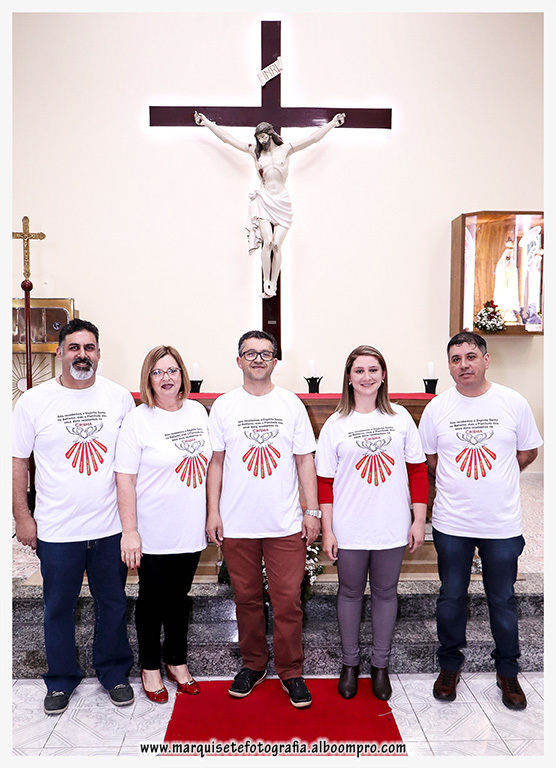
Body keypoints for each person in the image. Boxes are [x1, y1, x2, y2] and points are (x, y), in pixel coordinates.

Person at [12, 319, 135, 714]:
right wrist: (22, 516)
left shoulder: (119, 398)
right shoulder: (34, 401)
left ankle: (114, 672)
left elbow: (130, 465)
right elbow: (18, 462)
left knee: (112, 603)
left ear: (98, 353)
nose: (83, 355)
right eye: (74, 348)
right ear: (60, 352)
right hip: (57, 528)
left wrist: (132, 525)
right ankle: (61, 679)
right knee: (57, 607)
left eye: (89, 347)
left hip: (109, 526)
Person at [418, 331, 542, 710]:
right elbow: (431, 460)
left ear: (486, 360)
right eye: (455, 359)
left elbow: (528, 451)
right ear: (449, 366)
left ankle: (507, 671)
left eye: (470, 357)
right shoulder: (437, 408)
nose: (464, 365)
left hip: (501, 523)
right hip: (452, 522)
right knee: (451, 596)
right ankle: (449, 666)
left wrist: (496, 479)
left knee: (502, 599)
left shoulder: (512, 402)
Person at [206, 330, 320, 708]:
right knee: (247, 599)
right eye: (250, 353)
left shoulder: (290, 404)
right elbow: (216, 463)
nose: (258, 359)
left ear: (275, 360)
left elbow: (305, 461)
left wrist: (312, 511)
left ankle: (290, 670)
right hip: (237, 521)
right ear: (238, 360)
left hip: (284, 522)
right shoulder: (225, 406)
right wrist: (213, 512)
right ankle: (253, 664)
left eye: (265, 353)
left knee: (287, 601)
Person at [315, 345, 428, 701]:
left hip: (391, 524)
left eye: (373, 370)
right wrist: (328, 530)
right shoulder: (336, 424)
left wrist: (419, 519)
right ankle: (350, 664)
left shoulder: (400, 418)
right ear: (348, 378)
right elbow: (324, 482)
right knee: (349, 593)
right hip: (349, 525)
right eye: (359, 370)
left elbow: (418, 471)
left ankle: (380, 665)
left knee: (385, 593)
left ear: (383, 375)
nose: (366, 377)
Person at [115, 345, 212, 703]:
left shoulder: (198, 412)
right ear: (148, 379)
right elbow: (125, 478)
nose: (166, 378)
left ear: (182, 375)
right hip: (152, 528)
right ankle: (150, 667)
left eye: (172, 370)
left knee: (179, 598)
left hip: (189, 525)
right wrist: (130, 531)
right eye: (157, 372)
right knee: (152, 600)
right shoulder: (138, 419)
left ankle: (177, 661)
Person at [194, 111, 345, 298]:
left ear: (270, 134)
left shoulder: (286, 149)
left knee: (276, 244)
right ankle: (266, 281)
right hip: (264, 200)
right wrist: (207, 123)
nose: (261, 140)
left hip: (282, 201)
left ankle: (274, 282)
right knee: (267, 241)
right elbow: (227, 139)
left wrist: (332, 123)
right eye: (259, 137)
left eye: (264, 136)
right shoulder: (255, 152)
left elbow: (312, 138)